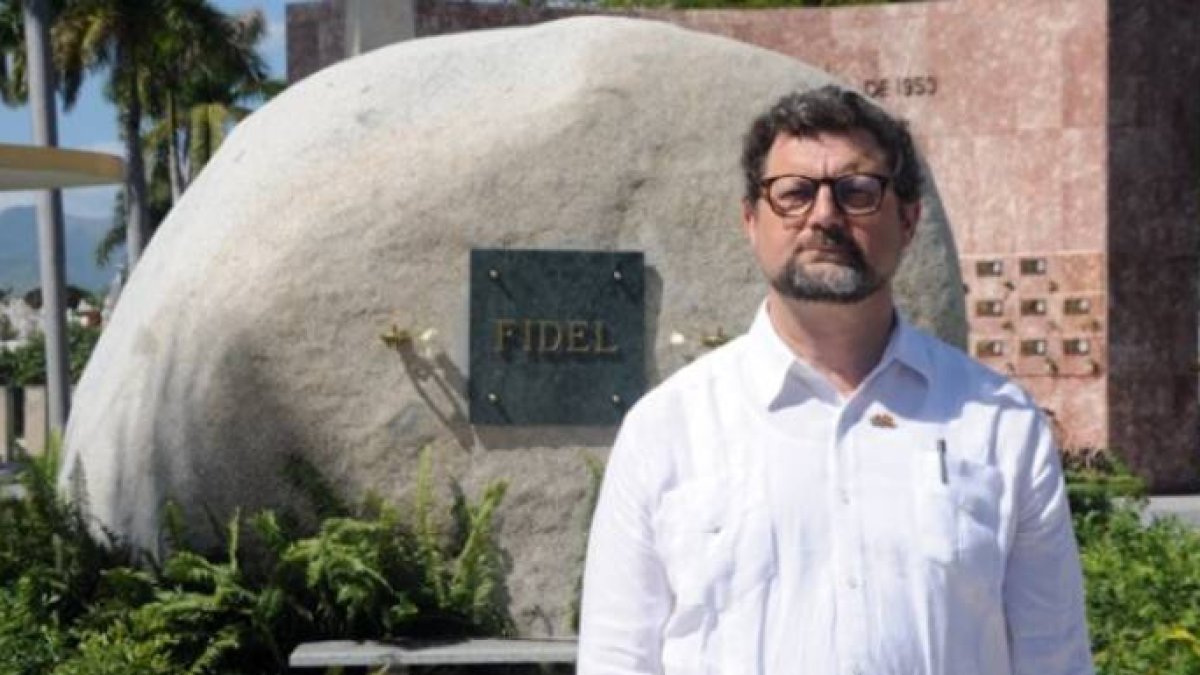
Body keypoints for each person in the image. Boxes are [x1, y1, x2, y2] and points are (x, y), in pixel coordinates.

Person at [577, 85, 1093, 675]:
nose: (825, 216)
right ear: (751, 220)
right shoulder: (668, 428)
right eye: (794, 193)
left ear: (908, 217)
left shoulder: (998, 422)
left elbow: (1055, 656)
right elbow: (617, 661)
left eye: (857, 192)